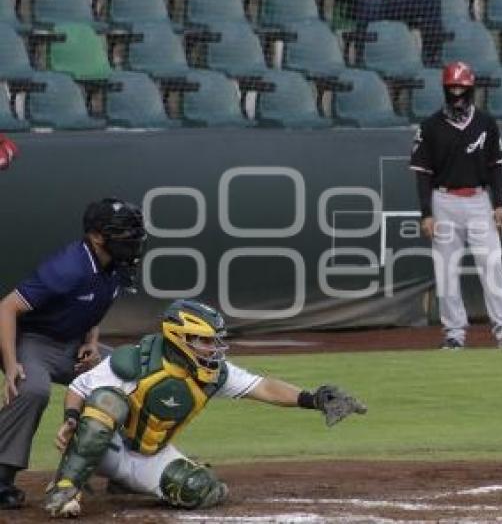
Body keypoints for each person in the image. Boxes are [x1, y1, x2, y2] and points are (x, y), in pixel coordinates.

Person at [42, 299, 367, 518]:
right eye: (205, 341)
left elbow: (263, 387)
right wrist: (71, 419)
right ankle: (66, 487)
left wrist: (313, 399)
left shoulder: (213, 374)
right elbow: (78, 389)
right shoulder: (135, 361)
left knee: (201, 490)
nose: (213, 348)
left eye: (213, 341)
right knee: (105, 401)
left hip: (147, 455)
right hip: (104, 446)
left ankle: (125, 480)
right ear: (180, 338)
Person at [0, 197, 146, 510]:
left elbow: (94, 307)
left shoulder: (116, 266)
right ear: (96, 236)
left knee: (135, 374)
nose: (133, 238)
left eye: (134, 231)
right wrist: (11, 364)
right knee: (31, 388)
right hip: (33, 341)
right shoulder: (68, 268)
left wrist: (92, 340)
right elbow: (7, 307)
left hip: (72, 345)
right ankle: (1, 477)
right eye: (123, 232)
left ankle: (126, 469)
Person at [409, 61, 502, 350]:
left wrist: (499, 204)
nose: (457, 92)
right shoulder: (430, 126)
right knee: (447, 269)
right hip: (444, 199)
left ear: (471, 88)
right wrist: (426, 213)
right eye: (452, 87)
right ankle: (453, 333)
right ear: (445, 89)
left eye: (462, 86)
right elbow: (422, 175)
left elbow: (496, 167)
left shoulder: (486, 122)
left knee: (492, 265)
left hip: (478, 200)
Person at [317, 0, 445, 65]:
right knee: (371, 3)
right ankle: (362, 60)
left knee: (431, 0)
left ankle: (431, 60)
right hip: (361, 0)